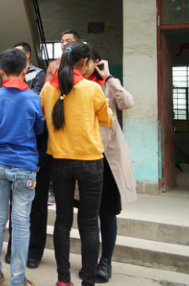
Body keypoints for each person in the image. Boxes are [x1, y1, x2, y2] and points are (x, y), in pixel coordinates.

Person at [41, 41, 114, 286]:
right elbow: (107, 120)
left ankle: (63, 280)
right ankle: (88, 282)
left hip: (60, 162)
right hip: (90, 163)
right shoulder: (92, 88)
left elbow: (43, 115)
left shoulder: (47, 89)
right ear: (84, 63)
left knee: (62, 221)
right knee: (89, 224)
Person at [0, 48, 44, 286]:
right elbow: (39, 128)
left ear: (1, 71)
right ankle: (18, 280)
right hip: (25, 166)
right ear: (25, 70)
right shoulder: (34, 98)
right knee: (20, 223)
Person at [82, 45, 136, 283]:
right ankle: (90, 260)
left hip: (107, 157)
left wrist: (109, 77)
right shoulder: (74, 85)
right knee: (87, 213)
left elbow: (127, 103)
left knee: (107, 211)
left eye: (86, 63)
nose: (82, 67)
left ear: (97, 62)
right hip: (83, 156)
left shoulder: (107, 85)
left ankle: (106, 261)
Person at [7, 42, 50, 269]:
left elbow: (45, 129)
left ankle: (34, 252)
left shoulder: (40, 95)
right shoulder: (7, 93)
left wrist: (41, 160)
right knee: (15, 206)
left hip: (38, 156)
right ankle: (13, 248)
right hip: (16, 157)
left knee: (37, 206)